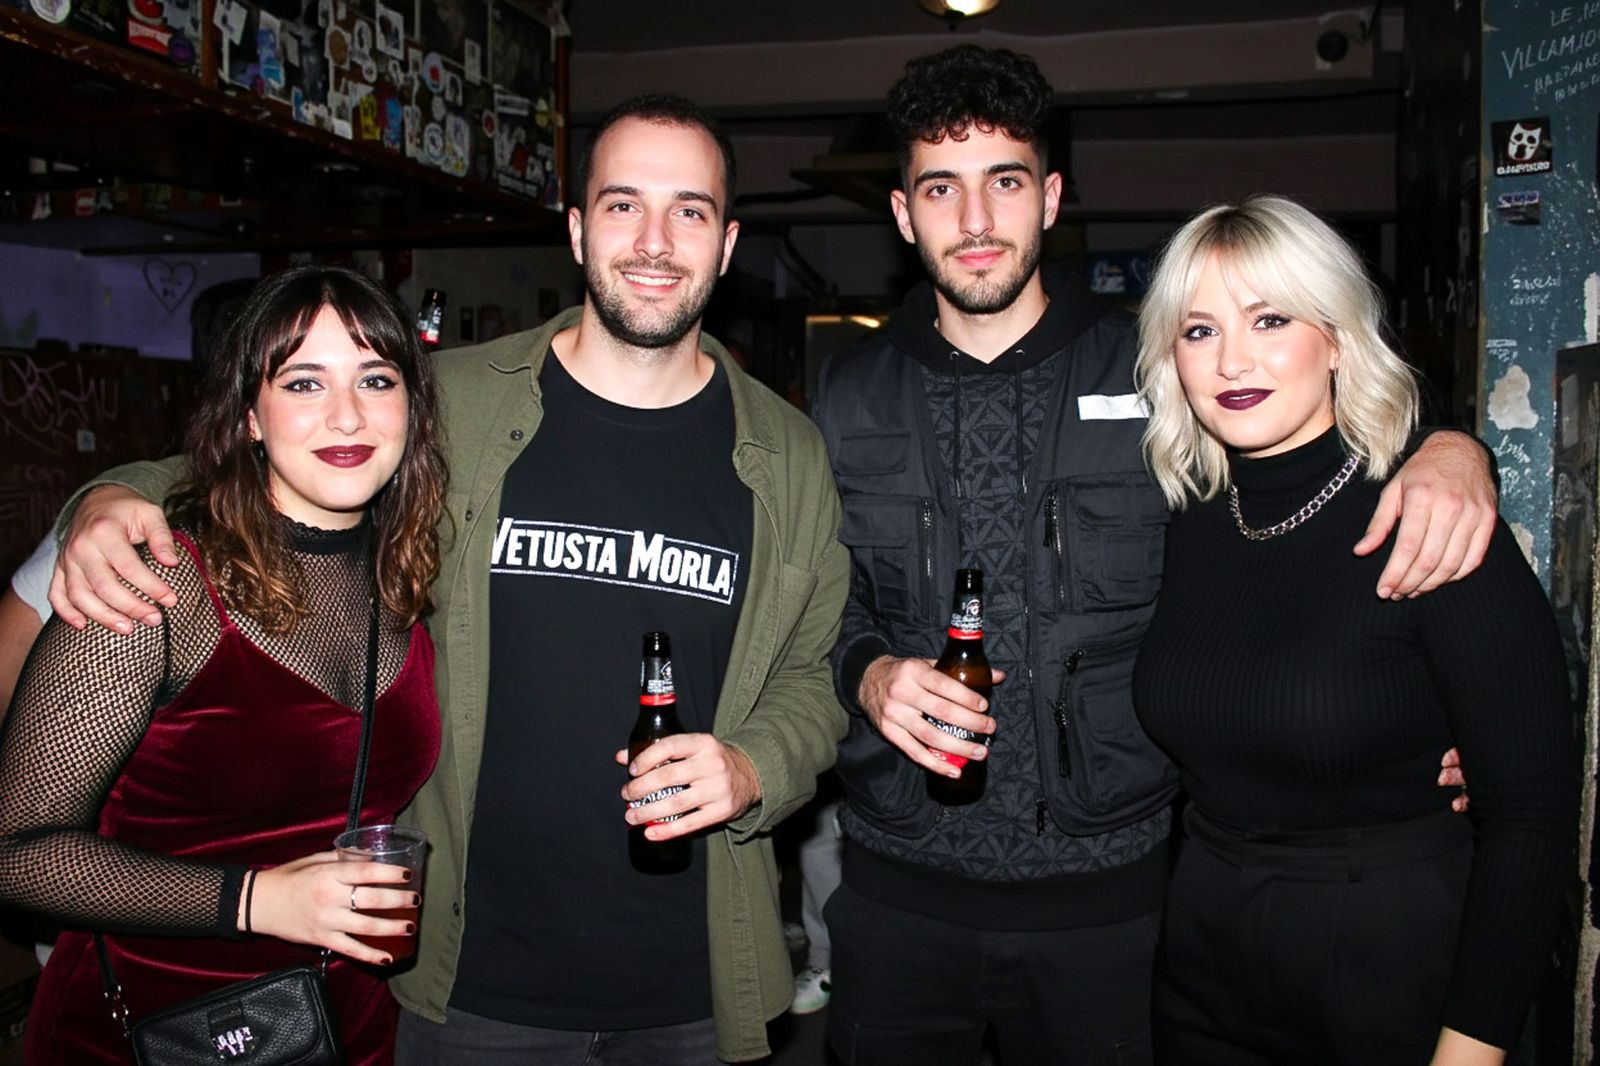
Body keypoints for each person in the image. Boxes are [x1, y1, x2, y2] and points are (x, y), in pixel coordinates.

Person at [46, 93, 848, 1065]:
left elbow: (814, 673)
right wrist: (107, 495)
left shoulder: (787, 452)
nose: (653, 239)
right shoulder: (457, 399)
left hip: (690, 982)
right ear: (577, 228)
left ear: (725, 244)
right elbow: (292, 453)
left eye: (689, 210)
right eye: (622, 203)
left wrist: (756, 762)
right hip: (470, 986)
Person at [810, 45, 1497, 1065]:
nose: (975, 220)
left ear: (1048, 197)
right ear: (904, 215)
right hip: (897, 901)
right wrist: (866, 673)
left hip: (1121, 909)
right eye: (938, 189)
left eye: (1003, 182)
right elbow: (817, 612)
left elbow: (1310, 465)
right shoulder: (841, 395)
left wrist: (1450, 443)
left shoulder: (1163, 373)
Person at [1130, 195, 1575, 1065]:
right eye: (1198, 331)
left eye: (1269, 318)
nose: (1233, 359)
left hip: (1390, 973)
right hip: (1202, 964)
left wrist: (1473, 1048)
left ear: (1335, 336)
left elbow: (1532, 818)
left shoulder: (1430, 514)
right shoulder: (1189, 519)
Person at [0, 264, 449, 1065]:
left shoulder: (405, 575)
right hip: (158, 1027)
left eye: (375, 378)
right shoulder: (159, 587)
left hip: (351, 1027)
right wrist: (257, 899)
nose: (347, 413)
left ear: (410, 406)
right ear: (249, 415)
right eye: (305, 382)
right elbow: (17, 852)